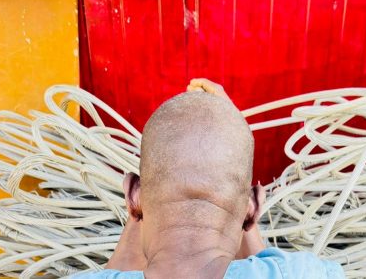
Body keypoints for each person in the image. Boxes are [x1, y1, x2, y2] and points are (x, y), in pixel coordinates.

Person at [74, 79, 344, 279]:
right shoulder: (304, 273)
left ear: (133, 196)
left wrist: (139, 203)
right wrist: (231, 130)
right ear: (253, 208)